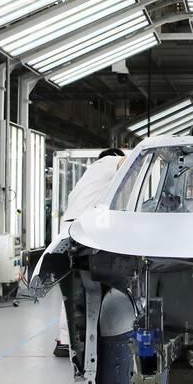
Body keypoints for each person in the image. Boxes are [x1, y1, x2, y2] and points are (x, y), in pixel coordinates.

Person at [53, 148, 126, 357]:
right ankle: (96, 334)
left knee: (71, 285)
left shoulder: (84, 182)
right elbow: (127, 163)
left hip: (70, 228)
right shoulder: (107, 162)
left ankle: (65, 341)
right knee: (92, 281)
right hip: (83, 229)